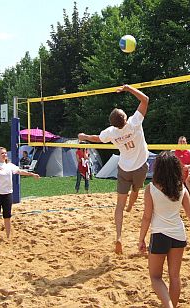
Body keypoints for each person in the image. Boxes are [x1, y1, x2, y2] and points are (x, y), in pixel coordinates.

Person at [78, 84, 149, 254]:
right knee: (136, 190)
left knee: (119, 205)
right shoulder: (134, 122)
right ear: (125, 117)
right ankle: (131, 205)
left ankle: (118, 236)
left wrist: (84, 136)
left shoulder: (112, 132)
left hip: (124, 167)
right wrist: (128, 88)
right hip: (140, 166)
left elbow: (97, 138)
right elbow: (145, 99)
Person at [138, 151, 190, 308]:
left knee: (155, 277)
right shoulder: (181, 189)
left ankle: (169, 305)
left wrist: (141, 239)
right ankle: (171, 304)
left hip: (159, 234)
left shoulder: (151, 189)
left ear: (158, 169)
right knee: (174, 277)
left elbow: (146, 217)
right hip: (178, 235)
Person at [0, 147, 40, 238]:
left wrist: (32, 174)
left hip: (7, 193)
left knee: (7, 215)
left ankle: (8, 236)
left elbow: (20, 171)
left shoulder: (10, 165)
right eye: (2, 153)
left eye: (5, 153)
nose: (4, 155)